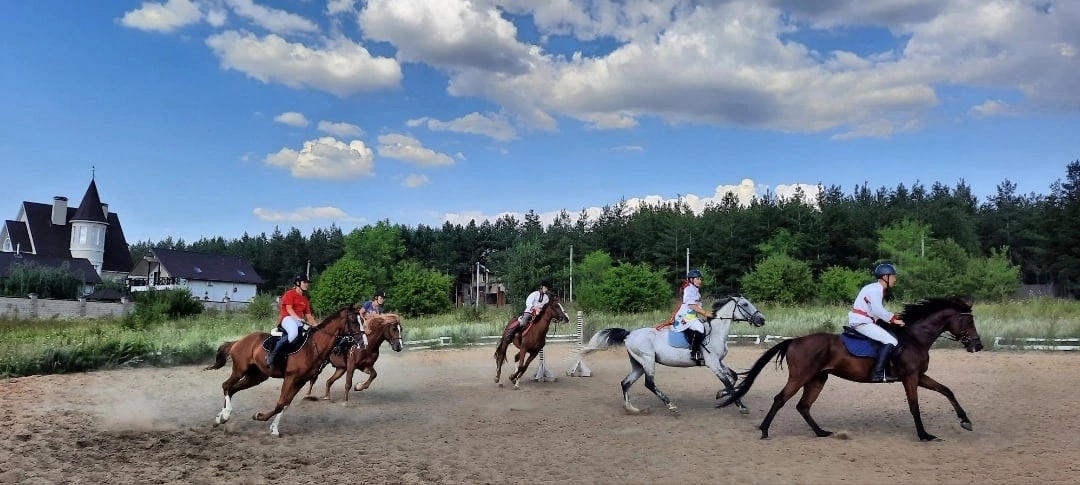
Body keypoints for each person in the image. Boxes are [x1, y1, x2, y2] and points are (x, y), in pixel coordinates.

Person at [847, 263, 907, 383]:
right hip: (862, 322)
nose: (895, 279)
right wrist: (894, 319)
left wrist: (892, 316)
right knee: (892, 341)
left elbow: (875, 310)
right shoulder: (876, 289)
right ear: (885, 277)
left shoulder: (874, 288)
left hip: (863, 320)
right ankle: (877, 373)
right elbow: (877, 310)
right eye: (893, 276)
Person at [267, 274, 318, 368]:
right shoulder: (289, 294)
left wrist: (316, 325)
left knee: (310, 334)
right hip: (287, 318)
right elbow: (289, 309)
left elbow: (308, 315)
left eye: (307, 283)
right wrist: (298, 318)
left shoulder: (305, 299)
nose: (307, 284)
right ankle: (273, 353)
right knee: (294, 332)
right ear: (298, 283)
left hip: (300, 321)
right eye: (305, 282)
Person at [673, 269, 712, 365]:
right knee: (700, 328)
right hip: (686, 316)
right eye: (697, 279)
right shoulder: (689, 289)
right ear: (691, 280)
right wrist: (705, 313)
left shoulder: (695, 289)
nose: (700, 281)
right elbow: (692, 305)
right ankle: (694, 353)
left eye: (700, 279)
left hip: (691, 316)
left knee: (700, 326)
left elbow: (697, 306)